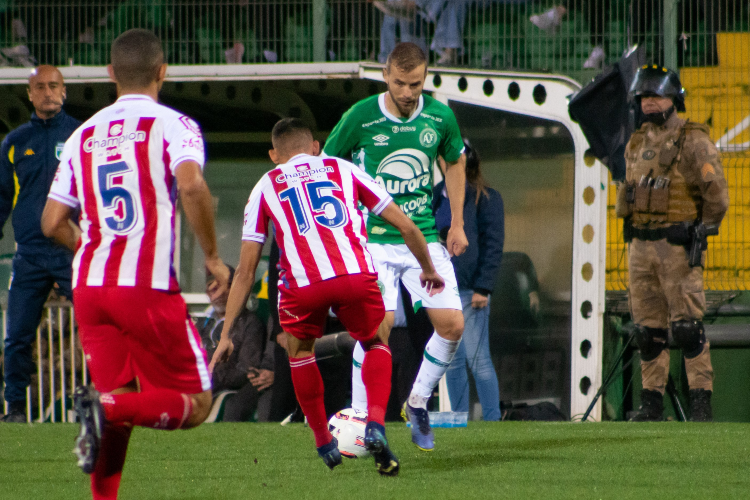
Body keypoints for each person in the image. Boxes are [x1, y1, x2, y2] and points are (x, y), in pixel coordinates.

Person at [41, 28, 230, 499]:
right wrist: (212, 257)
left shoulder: (82, 134)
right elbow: (191, 186)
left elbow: (51, 222)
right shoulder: (174, 124)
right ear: (163, 72)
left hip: (88, 287)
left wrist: (90, 245)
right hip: (142, 287)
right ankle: (102, 407)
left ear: (111, 75)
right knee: (198, 403)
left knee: (121, 408)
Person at [210, 118, 445, 475]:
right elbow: (406, 225)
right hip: (353, 274)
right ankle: (377, 426)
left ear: (275, 155)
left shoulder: (265, 186)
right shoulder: (343, 169)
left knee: (300, 351)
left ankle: (323, 441)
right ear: (316, 146)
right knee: (376, 341)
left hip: (303, 284)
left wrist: (226, 333)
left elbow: (245, 271)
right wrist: (428, 267)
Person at [323, 41, 467, 451]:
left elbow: (454, 161)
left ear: (426, 78)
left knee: (453, 325)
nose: (407, 92)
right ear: (385, 76)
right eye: (400, 83)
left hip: (420, 239)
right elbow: (328, 165)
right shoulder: (361, 117)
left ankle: (417, 403)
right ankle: (360, 416)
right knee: (377, 327)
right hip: (371, 242)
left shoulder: (439, 116)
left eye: (415, 84)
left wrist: (456, 223)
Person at [615, 64, 729, 422]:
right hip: (640, 248)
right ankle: (651, 404)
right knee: (648, 332)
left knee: (687, 329)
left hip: (677, 247)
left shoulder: (694, 140)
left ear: (673, 98)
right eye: (644, 97)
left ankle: (701, 404)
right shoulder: (635, 142)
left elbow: (718, 196)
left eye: (655, 96)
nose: (649, 103)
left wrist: (702, 229)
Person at [0, 65, 81, 423]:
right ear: (30, 94)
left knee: (98, 327)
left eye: (54, 86)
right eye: (40, 87)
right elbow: (2, 198)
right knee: (16, 336)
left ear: (64, 91)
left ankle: (103, 400)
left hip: (73, 249)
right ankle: (15, 408)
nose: (48, 92)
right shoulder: (14, 143)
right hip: (29, 255)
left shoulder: (81, 135)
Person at [434, 139, 504, 421]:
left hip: (470, 289)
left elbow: (493, 244)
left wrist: (483, 287)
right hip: (443, 290)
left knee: (479, 360)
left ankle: (491, 418)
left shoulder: (486, 197)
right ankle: (458, 418)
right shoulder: (437, 195)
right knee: (452, 361)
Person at [199, 266, 274, 422]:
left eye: (222, 287)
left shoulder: (249, 323)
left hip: (219, 387)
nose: (217, 294)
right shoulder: (201, 323)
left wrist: (210, 377)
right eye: (212, 290)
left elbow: (247, 367)